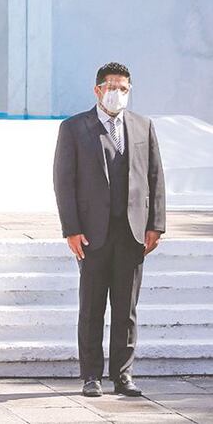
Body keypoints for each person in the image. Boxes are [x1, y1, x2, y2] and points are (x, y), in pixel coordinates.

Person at [53, 62, 165, 398]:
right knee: (92, 307)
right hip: (91, 234)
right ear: (98, 89)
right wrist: (70, 229)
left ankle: (123, 374)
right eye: (112, 86)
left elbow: (156, 177)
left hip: (131, 233)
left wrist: (155, 225)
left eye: (124, 88)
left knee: (126, 308)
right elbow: (64, 181)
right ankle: (91, 375)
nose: (118, 93)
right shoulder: (74, 128)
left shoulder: (143, 126)